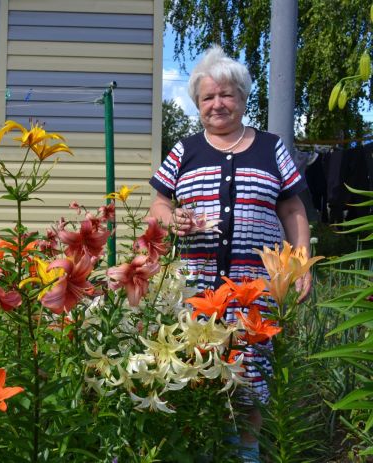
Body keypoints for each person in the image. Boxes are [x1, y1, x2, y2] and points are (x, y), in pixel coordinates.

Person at [149, 45, 312, 463]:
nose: (217, 104)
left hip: (254, 291)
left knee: (250, 380)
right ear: (197, 104)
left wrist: (301, 264)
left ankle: (246, 455)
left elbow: (293, 209)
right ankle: (203, 452)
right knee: (195, 374)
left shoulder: (271, 148)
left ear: (242, 98)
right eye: (208, 97)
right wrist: (171, 220)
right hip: (195, 294)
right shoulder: (184, 151)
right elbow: (159, 206)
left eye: (226, 95)